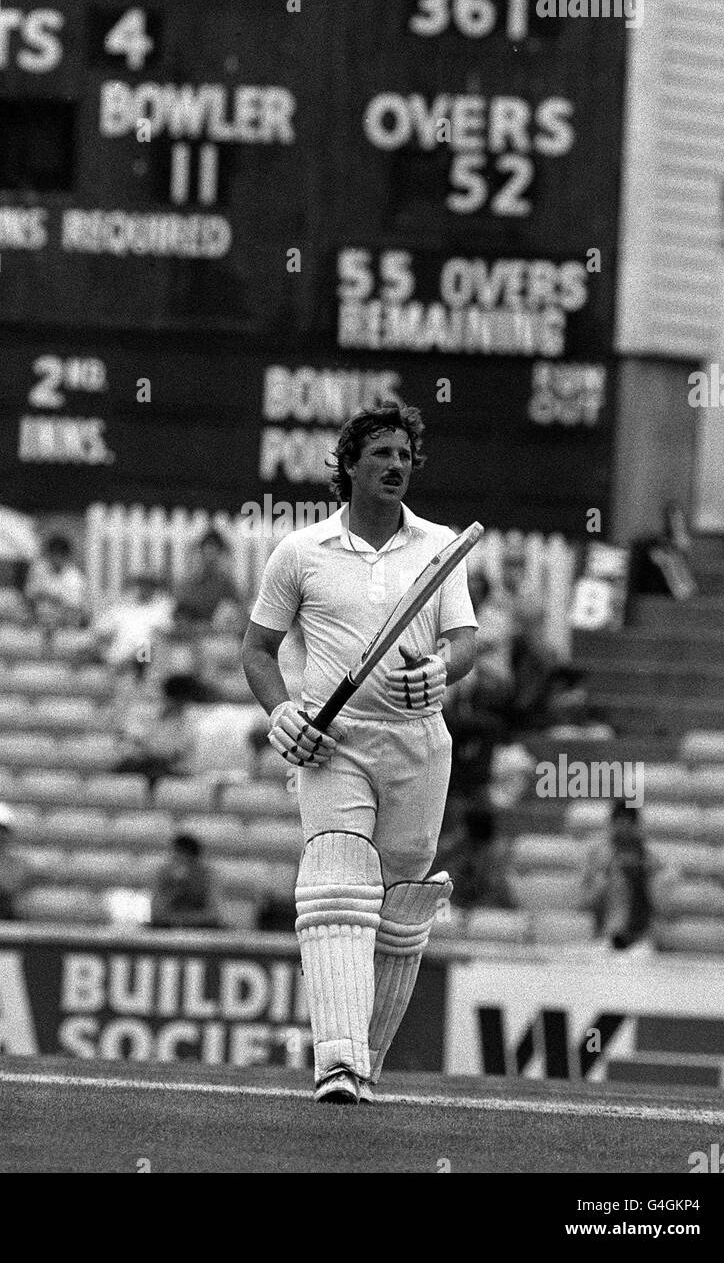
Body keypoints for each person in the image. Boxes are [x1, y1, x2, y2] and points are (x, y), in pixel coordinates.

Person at [241, 400, 478, 1104]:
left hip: (418, 745)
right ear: (349, 465)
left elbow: (465, 639)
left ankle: (364, 1061)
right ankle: (337, 1063)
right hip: (333, 742)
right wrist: (282, 711)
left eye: (405, 455)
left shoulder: (438, 545)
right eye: (382, 454)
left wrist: (443, 669)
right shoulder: (301, 552)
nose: (396, 466)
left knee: (399, 907)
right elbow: (257, 649)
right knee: (339, 878)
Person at [582, 800, 655, 950]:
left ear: (635, 826)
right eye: (620, 824)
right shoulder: (599, 856)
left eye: (628, 824)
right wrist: (604, 877)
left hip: (639, 940)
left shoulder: (649, 858)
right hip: (607, 936)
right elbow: (585, 901)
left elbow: (659, 903)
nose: (624, 829)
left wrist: (643, 874)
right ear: (612, 824)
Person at [114, 672, 205, 784]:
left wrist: (149, 747)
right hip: (139, 766)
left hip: (168, 771)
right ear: (168, 697)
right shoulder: (142, 711)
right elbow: (128, 743)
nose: (180, 705)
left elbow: (176, 753)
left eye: (183, 702)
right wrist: (151, 750)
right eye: (178, 701)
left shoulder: (190, 720)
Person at [92, 572, 174, 672]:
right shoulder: (122, 607)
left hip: (143, 664)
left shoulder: (164, 608)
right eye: (142, 584)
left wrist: (131, 662)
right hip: (113, 662)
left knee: (145, 644)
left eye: (150, 584)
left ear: (156, 587)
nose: (145, 588)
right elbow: (99, 633)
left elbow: (160, 639)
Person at [174, 529, 243, 631]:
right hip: (191, 632)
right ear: (201, 552)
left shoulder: (226, 584)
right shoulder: (190, 583)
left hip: (217, 635)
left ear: (220, 554)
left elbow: (237, 612)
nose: (210, 557)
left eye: (214, 551)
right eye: (206, 551)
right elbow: (180, 613)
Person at [150, 833, 223, 929]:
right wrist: (175, 888)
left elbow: (213, 914)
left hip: (202, 929)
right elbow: (156, 913)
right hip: (168, 928)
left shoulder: (208, 876)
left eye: (183, 857)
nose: (177, 861)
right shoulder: (163, 874)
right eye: (175, 857)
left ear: (195, 859)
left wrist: (184, 920)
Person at [24, 534, 88, 628]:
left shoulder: (75, 578)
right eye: (52, 556)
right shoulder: (39, 569)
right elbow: (29, 595)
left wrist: (47, 596)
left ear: (67, 557)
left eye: (58, 556)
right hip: (38, 621)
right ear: (48, 555)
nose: (55, 560)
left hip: (65, 624)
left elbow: (74, 608)